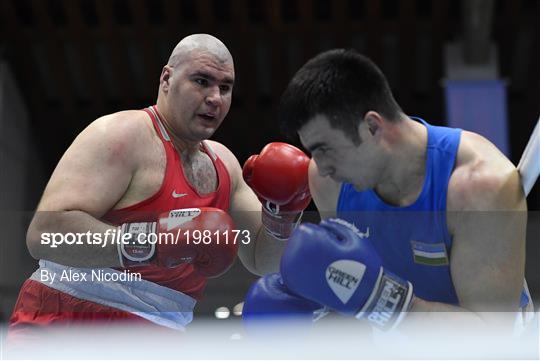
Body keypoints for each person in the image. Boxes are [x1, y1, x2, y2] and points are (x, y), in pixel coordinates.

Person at [8, 34, 311, 337]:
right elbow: (44, 235)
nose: (215, 97)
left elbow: (264, 261)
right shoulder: (120, 135)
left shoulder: (226, 166)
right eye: (202, 81)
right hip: (69, 317)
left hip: (160, 334)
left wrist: (283, 214)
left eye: (225, 87)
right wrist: (154, 242)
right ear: (167, 79)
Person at [243, 48, 531, 332]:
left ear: (371, 127)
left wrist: (382, 301)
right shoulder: (328, 181)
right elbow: (354, 287)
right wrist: (318, 305)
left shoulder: (479, 186)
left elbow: (492, 336)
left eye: (324, 149)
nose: (321, 166)